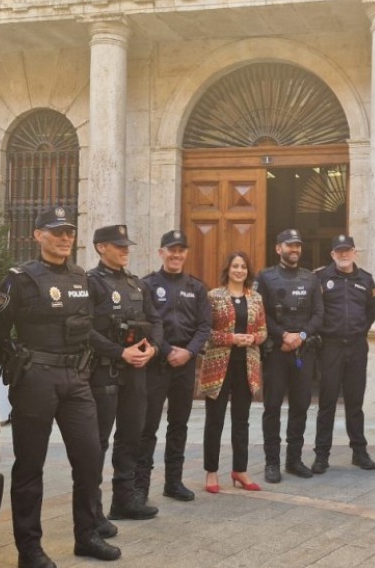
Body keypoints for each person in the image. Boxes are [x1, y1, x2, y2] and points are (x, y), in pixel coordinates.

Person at [0, 206, 120, 568]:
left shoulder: (82, 276)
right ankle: (29, 549)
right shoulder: (19, 279)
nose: (65, 238)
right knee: (30, 466)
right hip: (35, 380)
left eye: (69, 232)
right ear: (37, 235)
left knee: (89, 457)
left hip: (76, 379)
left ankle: (87, 534)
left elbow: (91, 326)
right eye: (56, 232)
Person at [87, 225, 161, 527]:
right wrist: (120, 353)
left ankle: (124, 500)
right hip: (105, 372)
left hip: (137, 372)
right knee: (97, 442)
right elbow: (85, 329)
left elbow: (155, 320)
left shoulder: (137, 284)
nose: (125, 250)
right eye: (118, 245)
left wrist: (152, 348)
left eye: (126, 245)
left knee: (132, 435)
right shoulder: (91, 283)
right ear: (101, 247)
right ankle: (92, 511)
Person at [136, 230, 211, 502]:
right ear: (161, 253)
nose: (176, 255)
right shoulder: (146, 285)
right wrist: (167, 351)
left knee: (178, 425)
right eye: (171, 250)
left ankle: (174, 482)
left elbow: (204, 327)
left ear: (186, 254)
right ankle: (139, 487)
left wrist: (189, 352)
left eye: (181, 250)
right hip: (157, 364)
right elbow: (144, 323)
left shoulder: (196, 287)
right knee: (148, 426)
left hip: (185, 365)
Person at [255, 228, 324, 483]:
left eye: (297, 246)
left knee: (300, 407)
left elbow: (319, 314)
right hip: (276, 352)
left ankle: (294, 460)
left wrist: (301, 336)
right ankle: (272, 463)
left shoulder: (311, 279)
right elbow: (260, 313)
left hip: (303, 352)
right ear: (278, 248)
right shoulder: (265, 277)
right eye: (289, 245)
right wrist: (283, 335)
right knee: (272, 407)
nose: (294, 250)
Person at [199, 251, 267, 492]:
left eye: (243, 266)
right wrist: (231, 338)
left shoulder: (256, 297)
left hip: (246, 365)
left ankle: (240, 469)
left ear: (248, 271)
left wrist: (253, 338)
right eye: (235, 266)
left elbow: (263, 331)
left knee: (242, 420)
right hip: (219, 365)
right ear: (227, 269)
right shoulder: (213, 296)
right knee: (214, 419)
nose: (239, 270)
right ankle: (211, 471)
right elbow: (205, 332)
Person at [311, 235, 375, 474]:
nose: (343, 254)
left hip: (357, 346)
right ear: (332, 254)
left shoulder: (366, 280)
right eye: (338, 251)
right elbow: (314, 309)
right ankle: (321, 455)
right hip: (330, 347)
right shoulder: (320, 278)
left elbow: (371, 311)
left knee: (355, 402)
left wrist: (358, 330)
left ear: (354, 252)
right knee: (327, 401)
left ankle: (359, 452)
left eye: (347, 250)